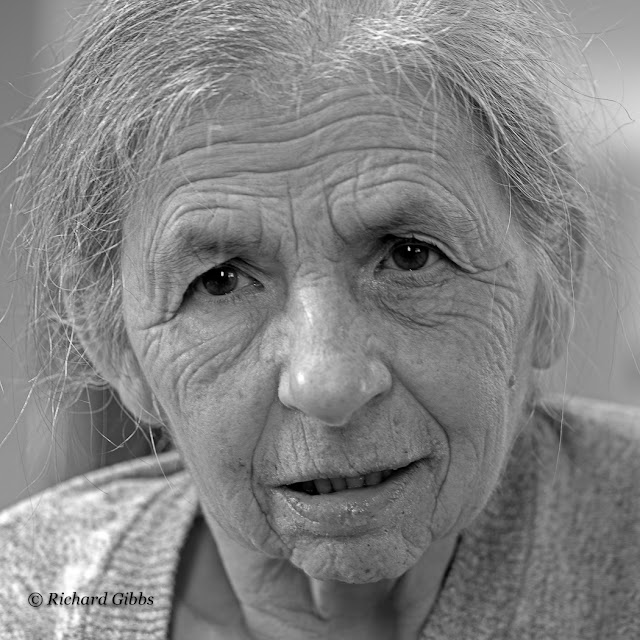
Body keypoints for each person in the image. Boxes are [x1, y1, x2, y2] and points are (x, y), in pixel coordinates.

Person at [1, 0, 639, 638]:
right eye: (220, 281)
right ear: (114, 341)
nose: (327, 384)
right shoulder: (27, 601)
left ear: (554, 280)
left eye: (410, 256)